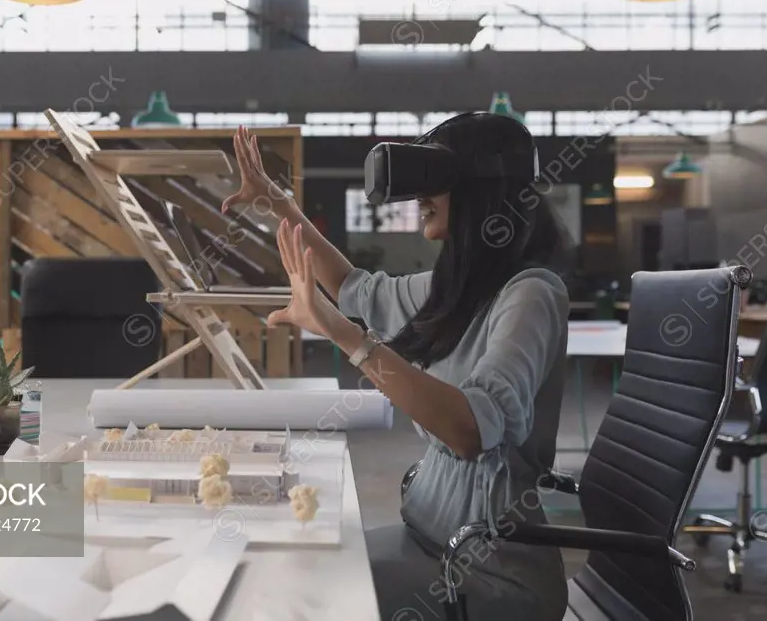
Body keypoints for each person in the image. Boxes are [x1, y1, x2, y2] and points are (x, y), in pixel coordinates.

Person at [223, 113, 572, 621]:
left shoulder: (531, 295)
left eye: (436, 184)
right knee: (284, 570)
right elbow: (353, 289)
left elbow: (469, 429)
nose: (420, 199)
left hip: (488, 572)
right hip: (431, 539)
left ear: (480, 191)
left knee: (297, 600)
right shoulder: (459, 287)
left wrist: (346, 337)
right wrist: (277, 203)